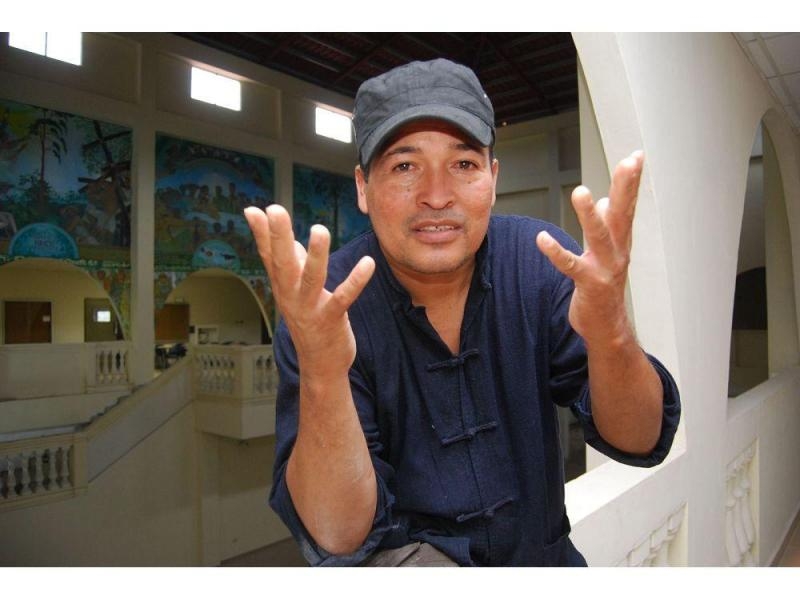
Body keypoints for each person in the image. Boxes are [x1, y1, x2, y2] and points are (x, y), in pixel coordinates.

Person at [243, 58, 680, 567]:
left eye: (464, 164)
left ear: (492, 178)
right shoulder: (326, 302)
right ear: (363, 187)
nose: (436, 196)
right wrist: (323, 370)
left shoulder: (538, 262)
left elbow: (640, 438)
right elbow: (338, 533)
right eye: (405, 166)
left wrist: (611, 331)